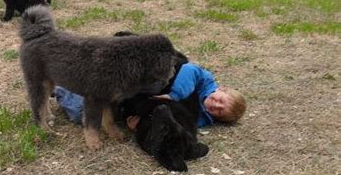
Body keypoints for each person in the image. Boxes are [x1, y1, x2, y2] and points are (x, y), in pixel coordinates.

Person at [53, 62, 246, 130]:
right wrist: (174, 95)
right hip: (148, 82)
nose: (215, 105)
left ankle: (60, 88)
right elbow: (189, 69)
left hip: (133, 105)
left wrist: (139, 126)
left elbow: (169, 121)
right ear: (221, 89)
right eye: (220, 100)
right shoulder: (204, 80)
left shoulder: (199, 120)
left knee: (82, 115)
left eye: (219, 112)